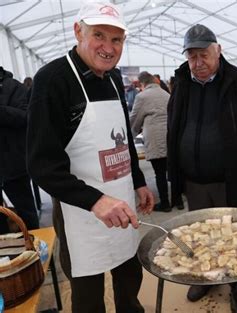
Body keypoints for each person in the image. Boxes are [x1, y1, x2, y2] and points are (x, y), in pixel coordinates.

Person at [26, 2, 154, 313]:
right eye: (99, 35)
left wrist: (138, 182)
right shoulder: (53, 79)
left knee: (129, 279)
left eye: (117, 40)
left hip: (122, 200)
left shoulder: (112, 77)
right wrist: (96, 201)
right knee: (87, 297)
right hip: (79, 212)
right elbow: (42, 166)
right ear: (78, 32)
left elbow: (122, 136)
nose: (108, 48)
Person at [167, 24, 237, 305]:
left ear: (218, 51)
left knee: (235, 237)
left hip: (231, 178)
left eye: (204, 55)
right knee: (200, 236)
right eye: (192, 57)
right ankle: (206, 277)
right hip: (194, 180)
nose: (198, 64)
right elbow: (174, 127)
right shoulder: (182, 82)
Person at [130, 71, 183, 212]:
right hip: (170, 138)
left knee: (159, 173)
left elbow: (135, 119)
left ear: (142, 84)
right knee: (173, 171)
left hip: (155, 139)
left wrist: (130, 136)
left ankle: (164, 203)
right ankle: (178, 201)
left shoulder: (142, 96)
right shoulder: (166, 94)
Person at [0, 67, 39, 233]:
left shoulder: (14, 87)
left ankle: (36, 253)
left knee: (27, 212)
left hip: (14, 163)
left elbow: (26, 116)